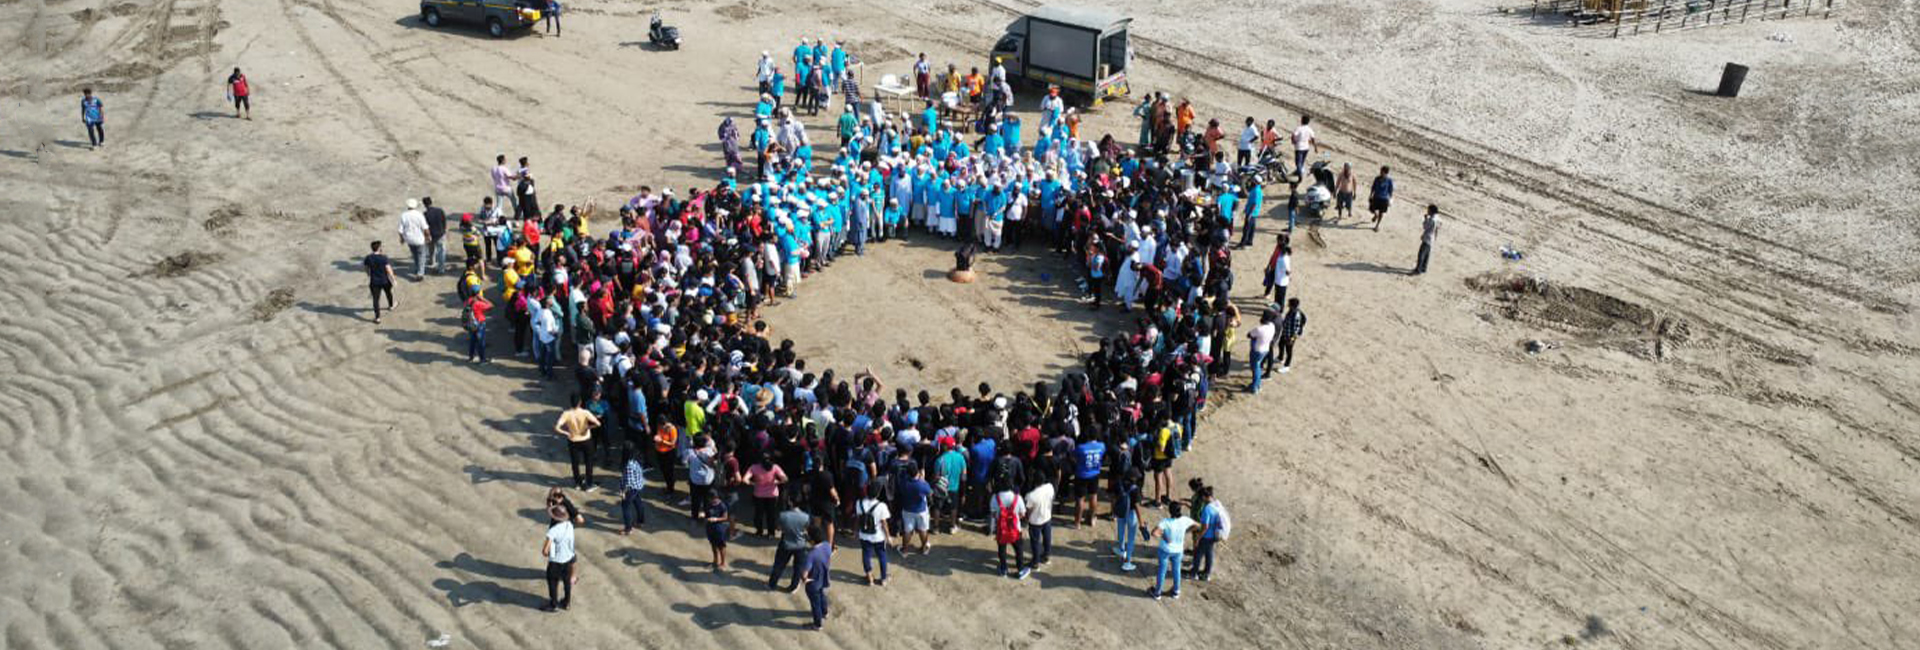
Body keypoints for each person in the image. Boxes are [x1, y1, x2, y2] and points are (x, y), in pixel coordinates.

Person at [1144, 502, 1199, 600]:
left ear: (1170, 511)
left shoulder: (1165, 522)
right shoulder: (1185, 520)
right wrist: (1187, 531)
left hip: (1165, 550)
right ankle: (1176, 591)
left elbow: (1154, 533)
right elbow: (1197, 525)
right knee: (1176, 570)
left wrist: (1164, 536)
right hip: (1178, 550)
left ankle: (1157, 593)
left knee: (1162, 571)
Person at [554, 394, 600, 491]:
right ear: (580, 402)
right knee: (589, 462)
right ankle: (589, 483)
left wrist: (566, 433)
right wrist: (588, 427)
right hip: (586, 439)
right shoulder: (585, 412)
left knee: (575, 462)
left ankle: (578, 483)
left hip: (573, 440)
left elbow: (557, 427)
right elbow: (597, 423)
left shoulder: (566, 414)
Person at [768, 494, 811, 591]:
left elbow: (778, 528)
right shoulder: (806, 517)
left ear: (790, 502)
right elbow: (806, 529)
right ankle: (793, 587)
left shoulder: (783, 515)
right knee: (798, 568)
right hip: (800, 545)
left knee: (779, 565)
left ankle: (772, 584)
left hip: (786, 543)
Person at [540, 504, 576, 612]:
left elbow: (545, 551)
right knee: (567, 582)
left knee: (553, 582)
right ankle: (566, 602)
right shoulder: (569, 525)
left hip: (556, 562)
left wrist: (550, 553)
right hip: (568, 559)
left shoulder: (553, 531)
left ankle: (553, 604)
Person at [854, 489, 893, 586]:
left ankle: (870, 578)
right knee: (882, 556)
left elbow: (858, 519)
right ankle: (884, 579)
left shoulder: (859, 503)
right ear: (878, 493)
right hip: (878, 536)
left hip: (864, 535)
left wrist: (855, 531)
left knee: (866, 555)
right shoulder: (881, 506)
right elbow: (884, 523)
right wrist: (888, 537)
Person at [989, 482, 1028, 578]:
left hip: (1001, 529)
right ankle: (1021, 569)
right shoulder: (1017, 498)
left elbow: (993, 514)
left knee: (1002, 549)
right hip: (1015, 529)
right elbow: (1023, 514)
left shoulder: (995, 498)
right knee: (1018, 549)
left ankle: (1003, 569)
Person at [743, 456, 788, 537]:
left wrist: (753, 483)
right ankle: (771, 533)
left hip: (759, 495)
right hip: (772, 495)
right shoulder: (775, 467)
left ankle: (759, 532)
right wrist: (777, 482)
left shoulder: (754, 467)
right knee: (771, 514)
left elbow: (745, 479)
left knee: (758, 514)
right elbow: (785, 478)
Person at [1112, 467, 1144, 571]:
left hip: (1121, 511)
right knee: (1131, 538)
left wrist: (1114, 511)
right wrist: (1141, 522)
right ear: (1133, 477)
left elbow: (1114, 498)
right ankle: (1128, 561)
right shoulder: (1135, 489)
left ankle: (1121, 550)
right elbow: (1137, 507)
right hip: (1131, 514)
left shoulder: (1119, 483)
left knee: (1121, 531)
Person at [802, 525, 833, 630]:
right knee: (821, 595)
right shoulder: (827, 545)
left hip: (813, 583)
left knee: (815, 604)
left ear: (812, 540)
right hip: (823, 578)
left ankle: (817, 624)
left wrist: (805, 580)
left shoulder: (811, 555)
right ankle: (825, 612)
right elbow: (829, 556)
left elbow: (804, 574)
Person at [897, 465, 932, 554]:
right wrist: (923, 479)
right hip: (921, 510)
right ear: (918, 472)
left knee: (908, 531)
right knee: (923, 529)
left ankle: (904, 550)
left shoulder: (904, 482)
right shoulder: (922, 485)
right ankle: (924, 549)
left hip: (907, 509)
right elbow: (929, 492)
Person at [1025, 470, 1055, 568]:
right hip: (1047, 517)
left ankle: (1035, 562)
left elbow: (1029, 510)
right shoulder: (1050, 487)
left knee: (1035, 542)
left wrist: (1026, 519)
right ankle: (1046, 556)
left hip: (1035, 521)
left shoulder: (1030, 495)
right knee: (1047, 538)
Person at [362, 241, 395, 323]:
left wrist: (368, 274)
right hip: (385, 281)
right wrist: (393, 279)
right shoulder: (384, 258)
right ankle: (391, 306)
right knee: (388, 293)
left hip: (374, 282)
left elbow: (366, 268)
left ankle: (377, 318)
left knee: (376, 300)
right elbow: (388, 269)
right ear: (379, 248)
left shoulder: (368, 258)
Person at [397, 199, 429, 279]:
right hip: (419, 239)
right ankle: (420, 273)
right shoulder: (419, 215)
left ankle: (417, 268)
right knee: (421, 256)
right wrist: (427, 236)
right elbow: (425, 228)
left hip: (409, 239)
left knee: (415, 255)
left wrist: (402, 239)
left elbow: (400, 230)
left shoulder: (403, 215)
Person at [619, 443, 646, 534]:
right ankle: (640, 521)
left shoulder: (628, 465)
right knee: (638, 502)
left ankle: (628, 528)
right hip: (638, 485)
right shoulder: (637, 459)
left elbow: (629, 482)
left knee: (625, 507)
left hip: (630, 489)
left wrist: (623, 492)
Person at [1247, 314, 1276, 394]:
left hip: (1257, 350)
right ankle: (1257, 384)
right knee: (1258, 366)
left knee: (1255, 368)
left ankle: (1254, 387)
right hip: (1266, 349)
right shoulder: (1272, 326)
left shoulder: (1259, 329)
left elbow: (1249, 334)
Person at [704, 489, 732, 571]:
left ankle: (723, 563)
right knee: (713, 545)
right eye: (711, 498)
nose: (713, 500)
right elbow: (707, 515)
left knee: (721, 546)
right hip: (710, 528)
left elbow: (725, 517)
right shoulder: (708, 504)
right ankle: (715, 561)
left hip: (720, 529)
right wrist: (704, 516)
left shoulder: (722, 505)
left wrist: (716, 519)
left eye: (714, 498)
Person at [1276, 298, 1305, 374]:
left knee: (1289, 351)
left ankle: (1286, 366)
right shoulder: (1291, 311)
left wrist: (1292, 339)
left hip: (1290, 336)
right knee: (1280, 344)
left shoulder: (1296, 315)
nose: (1287, 304)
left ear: (1292, 305)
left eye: (1289, 303)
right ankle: (1280, 358)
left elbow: (1296, 328)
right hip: (1285, 333)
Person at [462, 288, 492, 362]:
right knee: (481, 342)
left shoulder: (467, 301)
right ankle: (482, 360)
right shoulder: (478, 303)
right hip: (479, 324)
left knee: (472, 341)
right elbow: (491, 305)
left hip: (470, 323)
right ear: (478, 293)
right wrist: (482, 299)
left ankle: (471, 357)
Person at [422, 197, 448, 274]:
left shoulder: (425, 214)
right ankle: (441, 269)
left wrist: (426, 236)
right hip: (440, 234)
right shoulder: (440, 210)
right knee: (441, 252)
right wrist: (444, 230)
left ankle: (431, 262)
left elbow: (425, 227)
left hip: (431, 235)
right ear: (431, 202)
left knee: (431, 250)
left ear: (424, 205)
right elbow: (444, 221)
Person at [1413, 204, 1441, 275]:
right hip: (1432, 238)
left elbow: (1425, 226)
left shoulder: (1431, 219)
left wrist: (1425, 219)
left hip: (1427, 237)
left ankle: (1418, 269)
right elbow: (1438, 227)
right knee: (1427, 254)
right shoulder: (1438, 218)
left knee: (1421, 254)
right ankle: (1424, 268)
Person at [1290, 115, 1318, 180]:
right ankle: (1298, 171)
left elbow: (1293, 135)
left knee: (1298, 163)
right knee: (1302, 162)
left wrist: (1293, 141)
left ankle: (1300, 176)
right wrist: (1315, 147)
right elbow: (1313, 139)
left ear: (1302, 120)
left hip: (1299, 147)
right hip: (1306, 148)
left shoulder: (1299, 128)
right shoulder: (1309, 129)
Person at [1368, 165, 1394, 231]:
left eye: (1382, 171)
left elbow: (1390, 190)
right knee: (1371, 209)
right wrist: (1370, 195)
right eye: (1380, 171)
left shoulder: (1389, 180)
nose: (1380, 172)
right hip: (1376, 197)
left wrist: (1390, 199)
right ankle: (1375, 215)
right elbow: (1373, 187)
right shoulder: (1377, 178)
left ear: (1386, 173)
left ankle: (1377, 226)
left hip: (1384, 199)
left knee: (1381, 213)